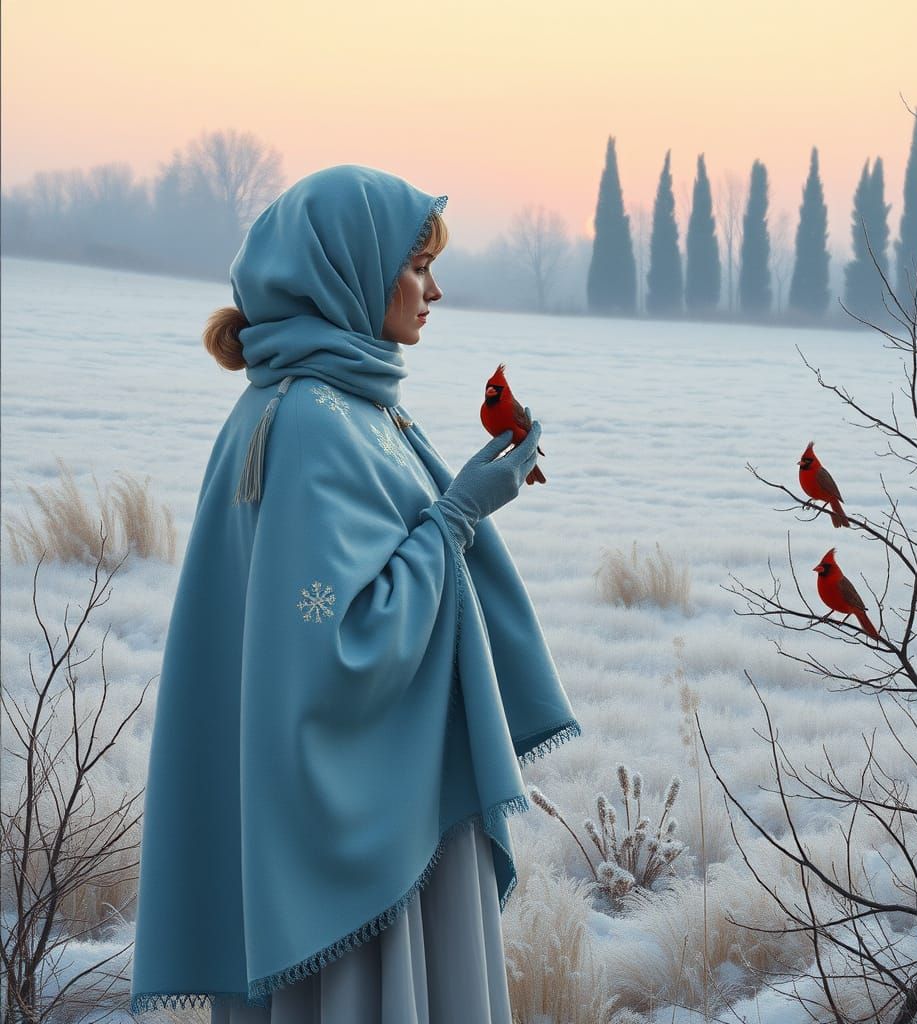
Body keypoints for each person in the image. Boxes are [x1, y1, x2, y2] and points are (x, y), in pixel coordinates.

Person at [129, 165, 582, 1023]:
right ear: (348, 272)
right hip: (365, 832)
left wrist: (455, 510)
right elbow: (342, 648)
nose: (434, 291)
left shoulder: (342, 405)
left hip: (371, 797)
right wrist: (458, 515)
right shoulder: (310, 419)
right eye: (417, 266)